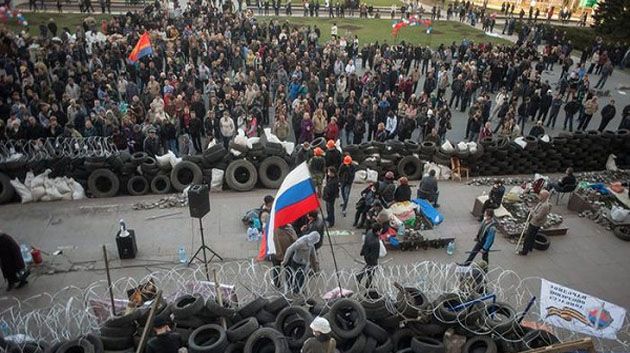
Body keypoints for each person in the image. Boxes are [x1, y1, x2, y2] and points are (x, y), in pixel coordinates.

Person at [519, 190, 551, 256]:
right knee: (533, 236)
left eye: (541, 195)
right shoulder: (541, 202)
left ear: (544, 197)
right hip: (535, 222)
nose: (539, 196)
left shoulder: (544, 206)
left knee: (528, 237)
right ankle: (530, 247)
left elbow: (538, 217)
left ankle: (524, 251)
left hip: (535, 223)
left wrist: (532, 211)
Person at [356, 223, 381, 288]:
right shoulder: (375, 242)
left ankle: (359, 276)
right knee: (371, 271)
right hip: (371, 257)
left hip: (366, 253)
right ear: (377, 231)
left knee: (368, 266)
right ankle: (368, 285)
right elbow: (375, 254)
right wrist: (375, 263)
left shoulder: (369, 232)